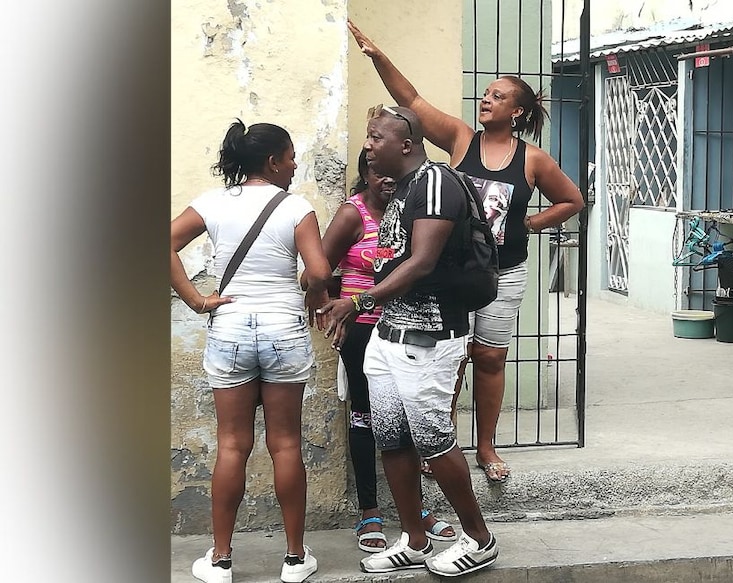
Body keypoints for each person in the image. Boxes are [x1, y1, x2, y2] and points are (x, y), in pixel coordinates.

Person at [348, 19, 585, 483]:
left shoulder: (532, 159)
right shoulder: (460, 139)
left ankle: (487, 446)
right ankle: (442, 442)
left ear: (516, 112)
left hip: (504, 272)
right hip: (453, 273)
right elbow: (413, 102)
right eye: (487, 93)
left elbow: (572, 201)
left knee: (491, 357)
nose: (486, 99)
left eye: (498, 96)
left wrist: (528, 223)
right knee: (450, 355)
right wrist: (379, 58)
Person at [318, 105, 499, 577]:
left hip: (431, 336)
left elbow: (420, 262)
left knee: (434, 441)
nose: (368, 144)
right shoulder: (400, 192)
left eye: (377, 136)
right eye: (368, 135)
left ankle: (480, 540)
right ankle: (415, 539)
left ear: (406, 143)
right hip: (388, 334)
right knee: (393, 439)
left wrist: (355, 304)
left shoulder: (436, 182)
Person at [170, 120, 329, 583]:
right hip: (283, 331)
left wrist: (197, 301)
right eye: (291, 156)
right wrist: (305, 290)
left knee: (232, 445)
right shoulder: (296, 207)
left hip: (231, 329)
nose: (295, 164)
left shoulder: (213, 203)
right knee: (285, 445)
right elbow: (318, 270)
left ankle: (220, 559)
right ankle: (295, 559)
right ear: (272, 162)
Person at [306, 150, 456, 552]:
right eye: (374, 172)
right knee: (365, 418)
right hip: (361, 332)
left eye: (386, 171)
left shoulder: (413, 209)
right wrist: (330, 312)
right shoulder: (353, 214)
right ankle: (369, 511)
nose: (384, 179)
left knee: (407, 423)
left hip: (407, 329)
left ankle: (416, 513)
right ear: (365, 175)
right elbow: (316, 271)